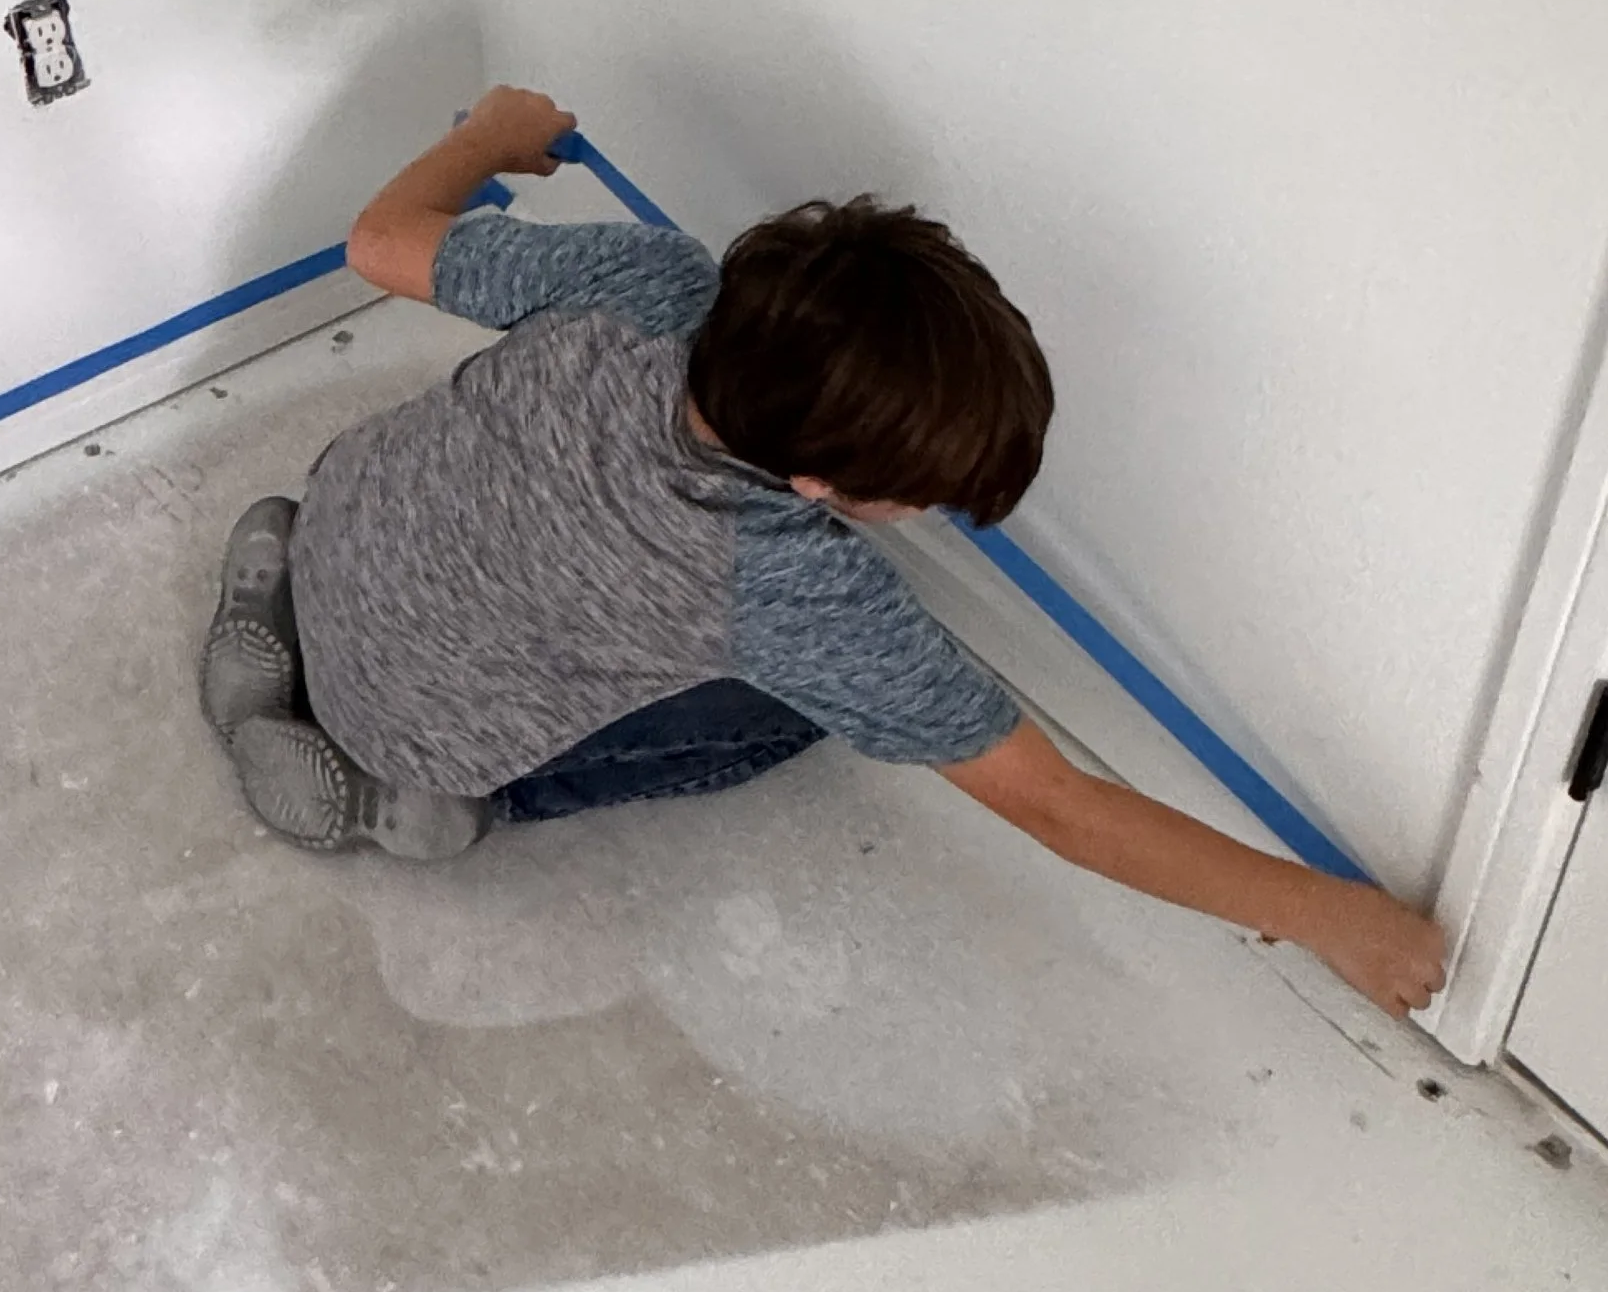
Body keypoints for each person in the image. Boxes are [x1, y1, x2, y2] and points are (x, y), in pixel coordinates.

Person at [199, 86, 1448, 1021]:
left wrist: (491, 132)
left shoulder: (647, 279)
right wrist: (1326, 914)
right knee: (787, 718)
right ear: (813, 486)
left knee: (480, 547)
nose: (920, 517)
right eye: (913, 498)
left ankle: (283, 623)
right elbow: (1060, 807)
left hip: (348, 529)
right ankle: (410, 795)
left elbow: (378, 241)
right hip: (427, 727)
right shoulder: (793, 589)